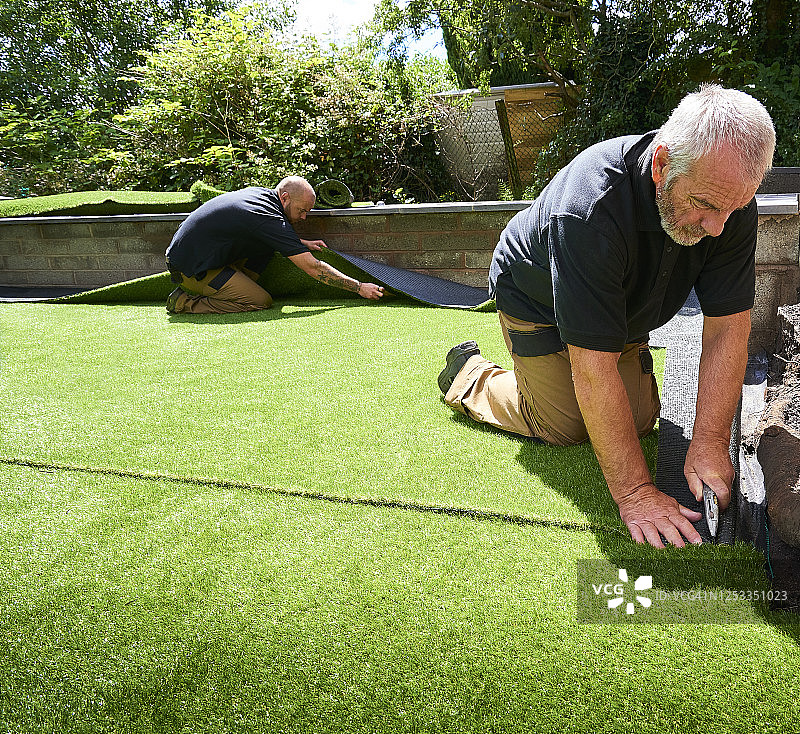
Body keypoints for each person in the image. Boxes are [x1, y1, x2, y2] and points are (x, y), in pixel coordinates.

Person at [437, 84, 775, 549]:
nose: (719, 226)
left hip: (620, 309)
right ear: (661, 166)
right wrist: (634, 492)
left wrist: (711, 440)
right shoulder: (589, 210)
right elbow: (592, 369)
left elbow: (728, 328)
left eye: (733, 208)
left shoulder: (728, 203)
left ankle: (624, 351)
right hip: (537, 301)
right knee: (567, 427)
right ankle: (471, 376)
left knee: (638, 420)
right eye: (705, 205)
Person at [165, 176, 384, 313]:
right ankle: (184, 302)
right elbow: (312, 267)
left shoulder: (262, 198)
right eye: (302, 210)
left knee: (267, 248)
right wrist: (359, 287)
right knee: (260, 300)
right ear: (286, 197)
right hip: (191, 268)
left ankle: (231, 287)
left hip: (202, 257)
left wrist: (299, 243)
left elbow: (260, 230)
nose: (304, 217)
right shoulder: (266, 215)